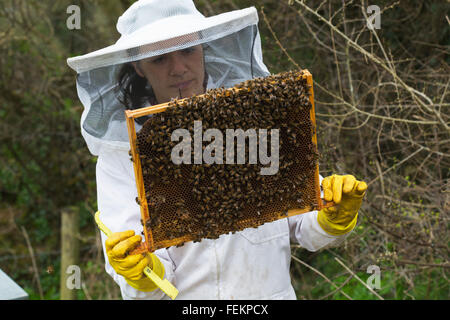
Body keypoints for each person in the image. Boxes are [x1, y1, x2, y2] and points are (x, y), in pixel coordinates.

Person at [67, 0, 367, 300]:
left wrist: (332, 214)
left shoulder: (257, 120)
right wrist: (144, 274)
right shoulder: (120, 156)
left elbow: (302, 222)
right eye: (159, 59)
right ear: (139, 67)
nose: (179, 68)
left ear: (202, 49)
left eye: (187, 50)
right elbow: (140, 276)